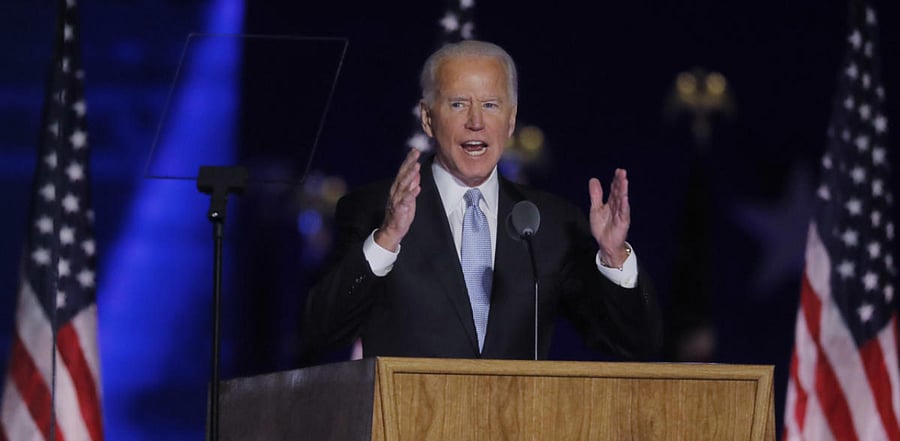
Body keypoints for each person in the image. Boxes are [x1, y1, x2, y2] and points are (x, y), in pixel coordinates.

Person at [302, 40, 661, 361]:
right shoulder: (374, 210)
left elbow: (633, 345)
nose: (476, 122)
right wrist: (386, 240)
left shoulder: (548, 223)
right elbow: (322, 331)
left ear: (510, 119)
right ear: (427, 118)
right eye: (458, 104)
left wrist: (615, 258)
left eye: (490, 105)